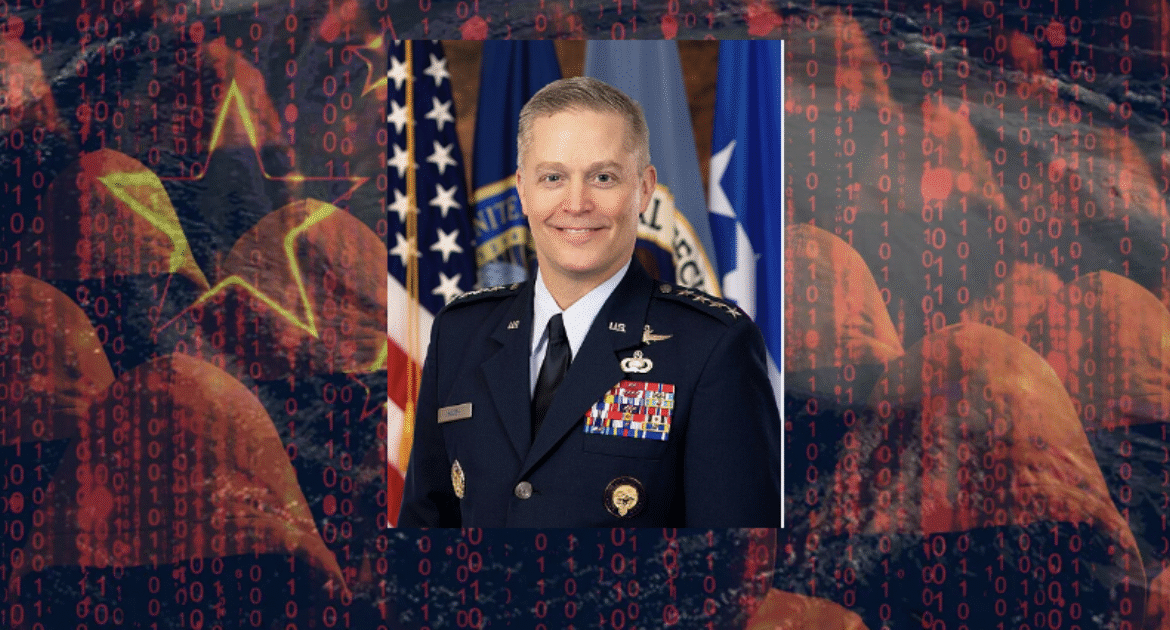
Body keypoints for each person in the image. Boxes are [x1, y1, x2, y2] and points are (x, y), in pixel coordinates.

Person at [398, 76, 781, 527]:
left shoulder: (712, 346)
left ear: (643, 189)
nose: (577, 204)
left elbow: (737, 559)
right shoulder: (460, 333)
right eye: (553, 177)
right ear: (523, 189)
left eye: (603, 177)